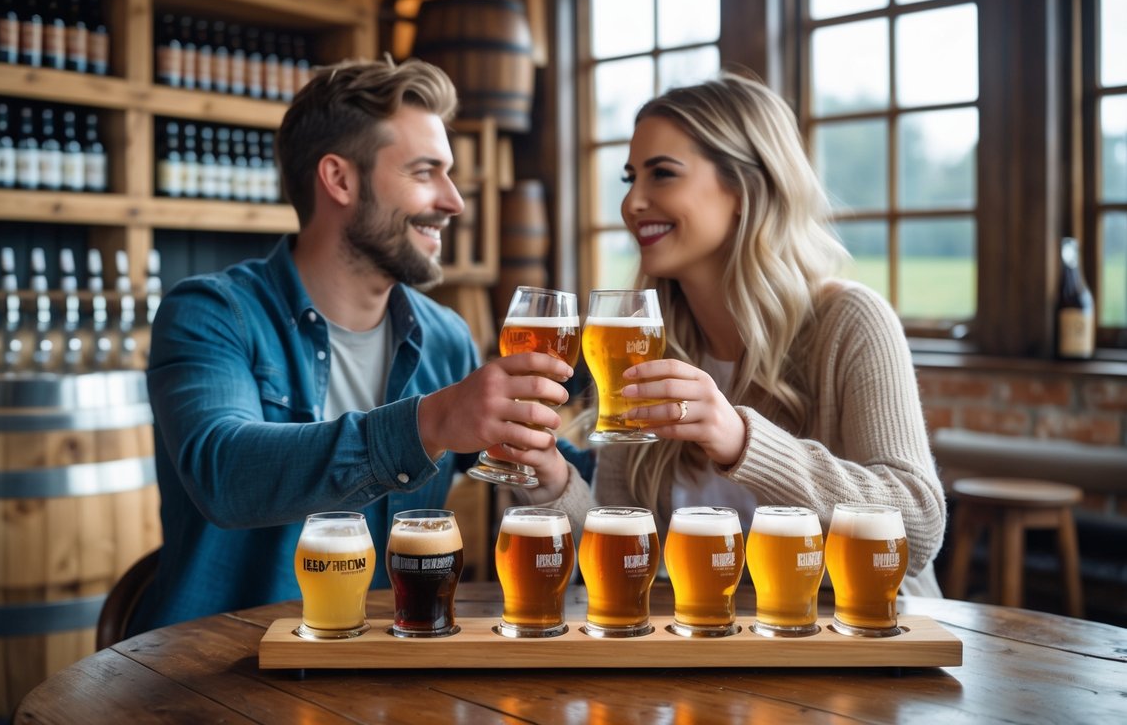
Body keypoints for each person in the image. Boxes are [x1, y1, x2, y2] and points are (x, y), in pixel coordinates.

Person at [131, 58, 578, 633]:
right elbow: (224, 471)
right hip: (220, 668)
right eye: (425, 172)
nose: (454, 201)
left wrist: (573, 468)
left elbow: (522, 463)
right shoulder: (213, 313)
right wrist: (429, 422)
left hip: (382, 663)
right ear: (340, 180)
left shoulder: (442, 336)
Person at [521, 72, 947, 596]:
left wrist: (743, 441)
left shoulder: (851, 323)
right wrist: (555, 481)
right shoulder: (641, 346)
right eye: (631, 178)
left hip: (862, 653)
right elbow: (623, 562)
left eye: (663, 174)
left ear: (744, 189)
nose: (632, 203)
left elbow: (920, 528)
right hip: (706, 658)